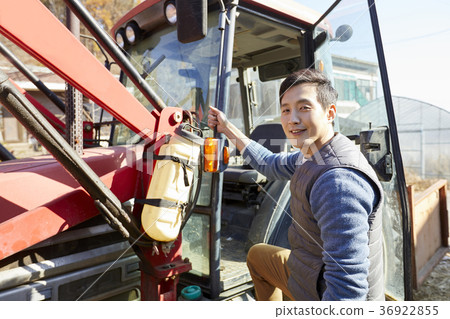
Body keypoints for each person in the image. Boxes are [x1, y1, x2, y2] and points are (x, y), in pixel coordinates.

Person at [208, 68, 384, 301]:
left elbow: (347, 290)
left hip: (323, 292)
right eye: (286, 110)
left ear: (330, 113)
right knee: (258, 256)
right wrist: (227, 128)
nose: (292, 119)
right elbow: (270, 163)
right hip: (309, 271)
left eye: (304, 108)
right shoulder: (312, 154)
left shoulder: (338, 182)